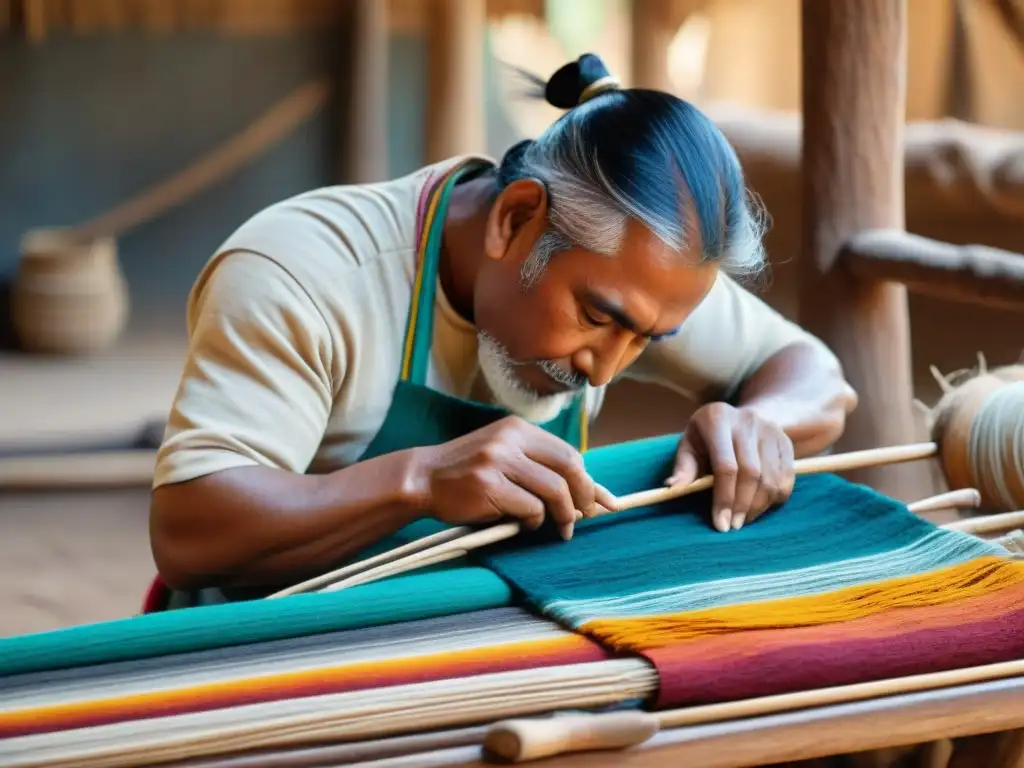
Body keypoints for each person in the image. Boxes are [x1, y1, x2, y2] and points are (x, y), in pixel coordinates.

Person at [149, 53, 857, 607]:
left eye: (649, 339)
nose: (608, 369)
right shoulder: (303, 271)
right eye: (596, 318)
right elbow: (189, 528)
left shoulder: (638, 276)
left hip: (476, 643)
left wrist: (761, 425)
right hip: (265, 655)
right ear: (516, 219)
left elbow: (816, 376)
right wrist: (419, 478)